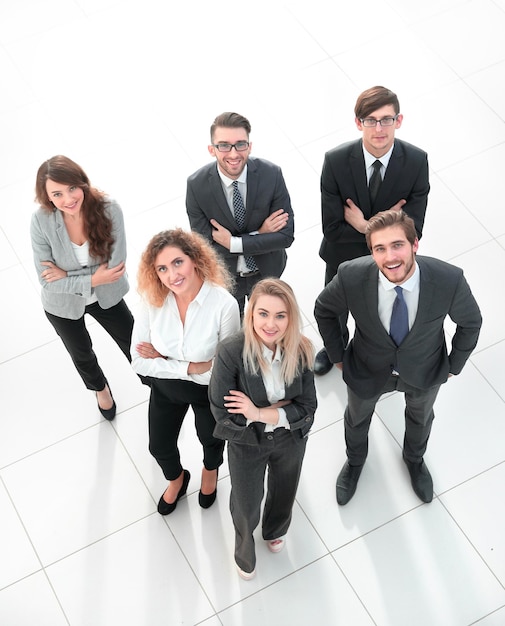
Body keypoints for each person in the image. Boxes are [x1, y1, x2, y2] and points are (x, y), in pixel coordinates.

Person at [314, 209, 482, 506]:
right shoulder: (352, 275)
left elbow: (470, 322)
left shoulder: (448, 279)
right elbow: (325, 309)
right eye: (379, 248)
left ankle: (414, 459)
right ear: (371, 252)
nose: (390, 257)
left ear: (415, 244)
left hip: (425, 370)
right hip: (366, 368)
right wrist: (337, 354)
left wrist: (454, 365)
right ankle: (355, 463)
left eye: (397, 245)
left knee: (420, 418)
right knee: (356, 419)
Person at [315, 86, 430, 376]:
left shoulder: (416, 162)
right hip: (342, 257)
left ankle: (379, 355)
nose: (379, 128)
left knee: (384, 313)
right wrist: (386, 225)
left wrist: (365, 226)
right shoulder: (336, 161)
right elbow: (332, 229)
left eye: (386, 119)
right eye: (370, 120)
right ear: (358, 123)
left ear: (399, 121)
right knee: (336, 311)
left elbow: (413, 230)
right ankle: (334, 350)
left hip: (391, 260)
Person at [209, 279, 317, 580]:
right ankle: (244, 548)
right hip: (246, 442)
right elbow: (221, 411)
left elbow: (307, 409)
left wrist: (258, 412)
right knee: (245, 502)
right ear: (251, 314)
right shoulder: (232, 351)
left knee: (285, 489)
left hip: (289, 440)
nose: (271, 324)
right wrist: (283, 409)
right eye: (263, 314)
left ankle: (275, 530)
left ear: (290, 317)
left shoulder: (302, 349)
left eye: (280, 315)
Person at [131, 229, 240, 515]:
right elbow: (139, 362)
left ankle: (210, 470)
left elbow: (224, 371)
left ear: (194, 259)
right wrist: (192, 366)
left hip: (209, 392)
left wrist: (164, 358)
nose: (172, 275)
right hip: (167, 389)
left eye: (177, 262)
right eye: (162, 269)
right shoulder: (152, 301)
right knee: (159, 446)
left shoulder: (224, 304)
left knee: (211, 438)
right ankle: (178, 479)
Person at [31, 155, 134, 421]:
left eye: (72, 188)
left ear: (82, 183)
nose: (68, 199)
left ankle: (159, 385)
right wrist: (91, 279)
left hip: (107, 296)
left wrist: (66, 274)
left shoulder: (110, 209)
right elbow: (46, 280)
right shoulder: (41, 221)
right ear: (47, 197)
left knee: (134, 343)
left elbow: (115, 268)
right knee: (81, 353)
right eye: (57, 193)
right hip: (62, 305)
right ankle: (100, 389)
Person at [186, 111, 295, 314]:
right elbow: (203, 248)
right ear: (212, 149)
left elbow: (285, 236)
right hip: (226, 278)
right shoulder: (196, 185)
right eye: (224, 145)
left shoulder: (271, 174)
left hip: (267, 272)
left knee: (265, 329)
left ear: (249, 146)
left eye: (240, 144)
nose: (234, 153)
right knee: (234, 336)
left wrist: (234, 242)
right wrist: (260, 234)